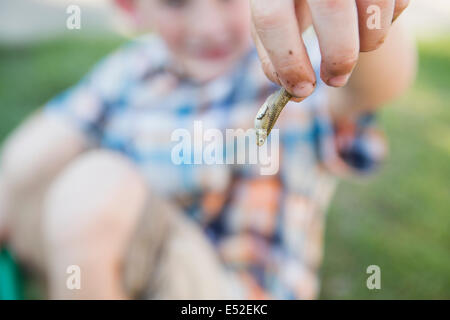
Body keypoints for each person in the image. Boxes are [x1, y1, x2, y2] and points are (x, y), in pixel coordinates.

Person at [0, 0, 415, 299]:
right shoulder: (131, 70)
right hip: (127, 272)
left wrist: (369, 17)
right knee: (51, 186)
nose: (208, 25)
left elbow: (372, 84)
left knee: (93, 183)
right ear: (130, 7)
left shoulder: (288, 63)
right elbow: (31, 153)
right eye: (176, 3)